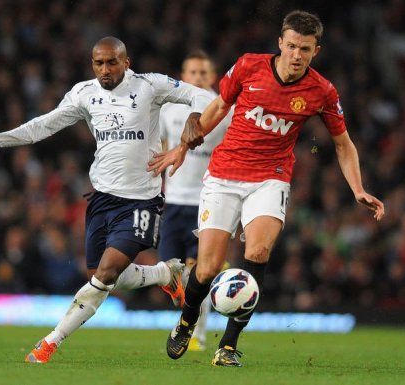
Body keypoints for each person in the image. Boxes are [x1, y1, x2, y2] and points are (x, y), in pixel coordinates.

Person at [149, 10, 385, 367]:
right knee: (207, 268)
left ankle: (228, 345)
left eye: (304, 49)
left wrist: (357, 188)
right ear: (280, 43)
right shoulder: (248, 67)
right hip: (224, 174)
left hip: (271, 178)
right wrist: (182, 148)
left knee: (257, 253)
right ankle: (186, 320)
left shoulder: (321, 90)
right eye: (291, 46)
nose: (296, 55)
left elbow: (343, 143)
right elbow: (216, 108)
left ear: (315, 50)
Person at [0, 36, 213, 364]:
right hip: (102, 200)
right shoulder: (84, 93)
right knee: (106, 275)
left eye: (112, 62)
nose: (105, 69)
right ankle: (166, 274)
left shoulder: (150, 86)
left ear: (127, 61)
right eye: (99, 63)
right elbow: (44, 125)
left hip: (142, 202)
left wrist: (195, 116)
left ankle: (50, 342)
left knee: (105, 273)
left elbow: (201, 95)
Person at [158, 50, 230, 351]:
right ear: (183, 76)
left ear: (212, 77)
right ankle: (192, 312)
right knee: (169, 270)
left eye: (203, 73)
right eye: (192, 72)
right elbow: (161, 149)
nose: (198, 77)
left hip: (206, 201)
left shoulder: (226, 110)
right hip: (173, 202)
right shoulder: (168, 109)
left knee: (197, 271)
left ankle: (197, 332)